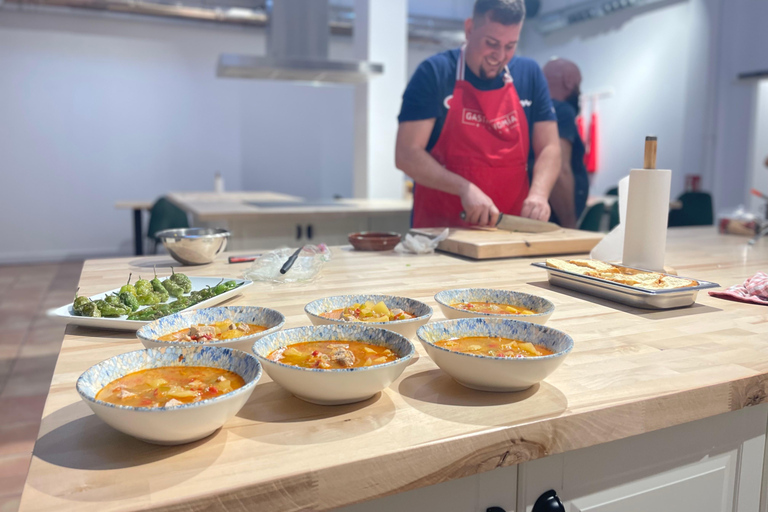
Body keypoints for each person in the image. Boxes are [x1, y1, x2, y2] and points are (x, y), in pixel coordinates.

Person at [395, 0, 560, 228]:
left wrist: (539, 194)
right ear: (470, 29)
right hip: (441, 233)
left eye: (510, 46)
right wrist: (465, 187)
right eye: (491, 43)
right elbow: (406, 154)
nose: (500, 56)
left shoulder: (529, 75)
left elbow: (550, 147)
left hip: (510, 231)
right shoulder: (435, 73)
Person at [542, 58, 589, 228]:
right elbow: (559, 170)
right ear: (569, 81)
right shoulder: (561, 111)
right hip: (554, 223)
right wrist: (569, 224)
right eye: (578, 84)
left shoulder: (534, 110)